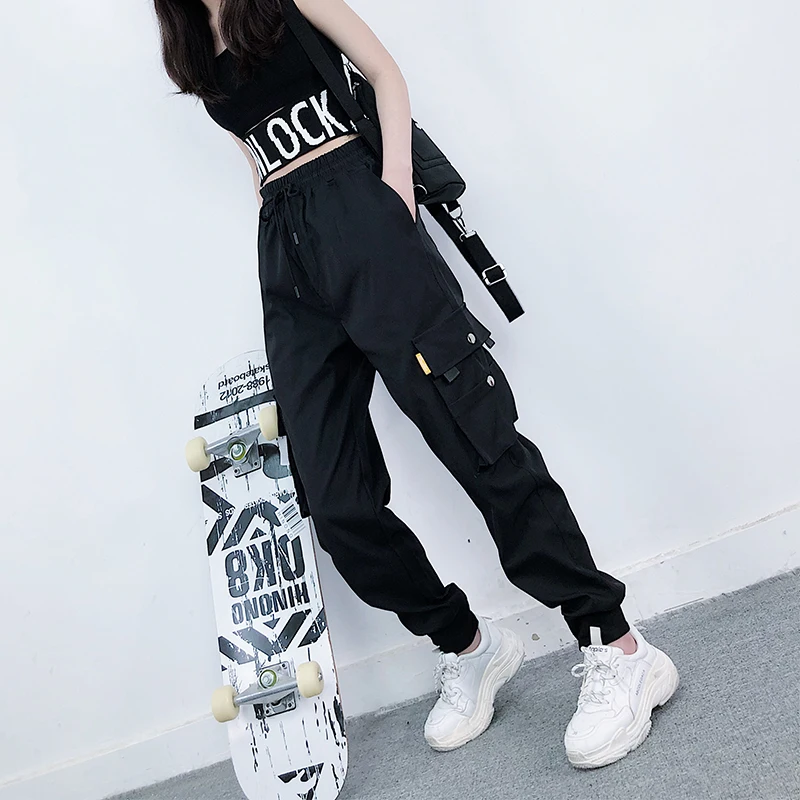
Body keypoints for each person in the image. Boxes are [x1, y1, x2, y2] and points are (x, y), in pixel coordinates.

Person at [154, 0, 679, 767]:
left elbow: (383, 71)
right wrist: (283, 218)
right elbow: (251, 148)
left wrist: (393, 188)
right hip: (287, 254)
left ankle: (619, 645)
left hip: (365, 212)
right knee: (332, 499)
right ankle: (468, 644)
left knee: (477, 440)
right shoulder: (188, 41)